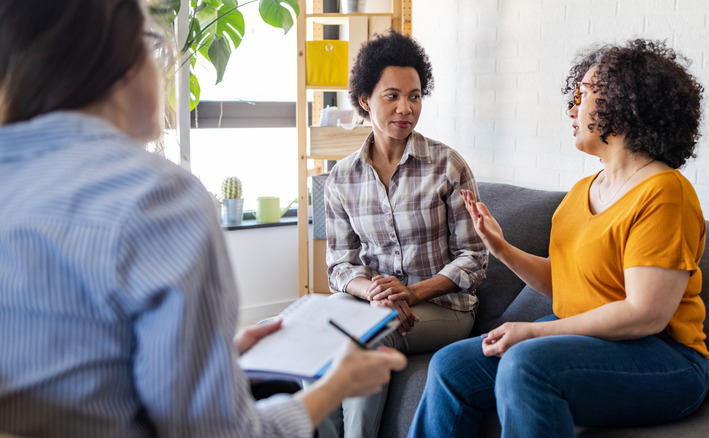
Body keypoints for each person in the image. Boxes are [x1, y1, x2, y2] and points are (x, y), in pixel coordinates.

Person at [0, 1, 406, 437]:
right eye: (155, 43)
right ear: (119, 62)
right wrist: (333, 387)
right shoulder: (156, 196)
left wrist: (218, 358)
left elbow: (77, 368)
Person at [408, 39, 709, 437]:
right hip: (586, 337)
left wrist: (533, 331)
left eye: (583, 95)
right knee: (452, 366)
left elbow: (645, 313)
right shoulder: (581, 191)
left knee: (526, 363)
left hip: (664, 357)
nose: (572, 108)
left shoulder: (665, 192)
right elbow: (565, 283)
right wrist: (500, 247)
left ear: (623, 104)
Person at [321, 30, 488, 438]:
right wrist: (375, 293)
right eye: (392, 95)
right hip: (373, 305)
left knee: (367, 342)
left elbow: (474, 258)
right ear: (365, 100)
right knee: (316, 339)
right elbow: (340, 265)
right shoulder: (341, 178)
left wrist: (410, 294)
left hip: (446, 307)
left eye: (414, 96)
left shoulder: (448, 165)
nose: (406, 108)